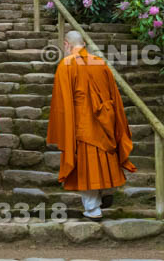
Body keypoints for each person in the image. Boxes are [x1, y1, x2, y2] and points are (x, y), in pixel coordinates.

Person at [47, 30, 136, 220]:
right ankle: (106, 190)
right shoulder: (100, 63)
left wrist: (63, 129)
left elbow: (61, 104)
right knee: (104, 159)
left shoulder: (66, 65)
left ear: (66, 44)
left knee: (87, 165)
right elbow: (114, 96)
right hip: (105, 120)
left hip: (82, 122)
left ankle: (93, 208)